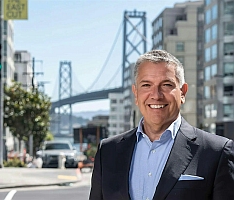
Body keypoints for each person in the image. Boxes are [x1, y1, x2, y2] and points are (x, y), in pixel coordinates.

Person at [89, 49, 234, 200]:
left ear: (183, 92)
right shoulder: (107, 151)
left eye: (166, 84)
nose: (156, 95)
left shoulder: (217, 152)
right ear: (136, 94)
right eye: (146, 85)